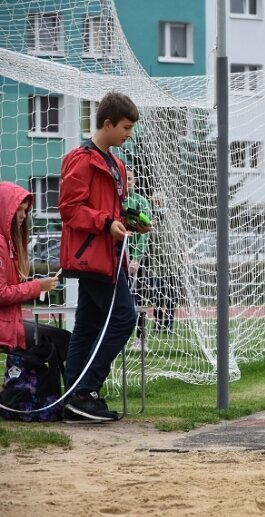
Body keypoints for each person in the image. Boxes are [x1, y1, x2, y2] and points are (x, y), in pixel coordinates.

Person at [58, 91, 151, 423]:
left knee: (87, 325)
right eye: (126, 127)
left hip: (113, 258)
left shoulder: (117, 164)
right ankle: (86, 390)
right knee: (125, 318)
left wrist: (129, 223)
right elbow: (70, 210)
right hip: (92, 259)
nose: (129, 134)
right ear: (107, 123)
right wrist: (106, 223)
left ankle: (73, 398)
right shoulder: (81, 159)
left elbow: (112, 212)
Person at [0, 183, 60, 420]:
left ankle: (46, 397)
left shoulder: (10, 243)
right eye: (19, 210)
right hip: (6, 322)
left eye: (26, 210)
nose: (24, 216)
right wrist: (37, 287)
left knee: (57, 340)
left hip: (10, 320)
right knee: (56, 341)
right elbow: (2, 293)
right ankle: (60, 398)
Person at [125, 168, 153, 351]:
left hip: (137, 260)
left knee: (141, 297)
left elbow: (145, 233)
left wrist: (136, 258)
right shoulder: (116, 200)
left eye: (130, 179)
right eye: (125, 179)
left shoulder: (141, 202)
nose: (128, 182)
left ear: (135, 181)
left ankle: (140, 338)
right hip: (119, 258)